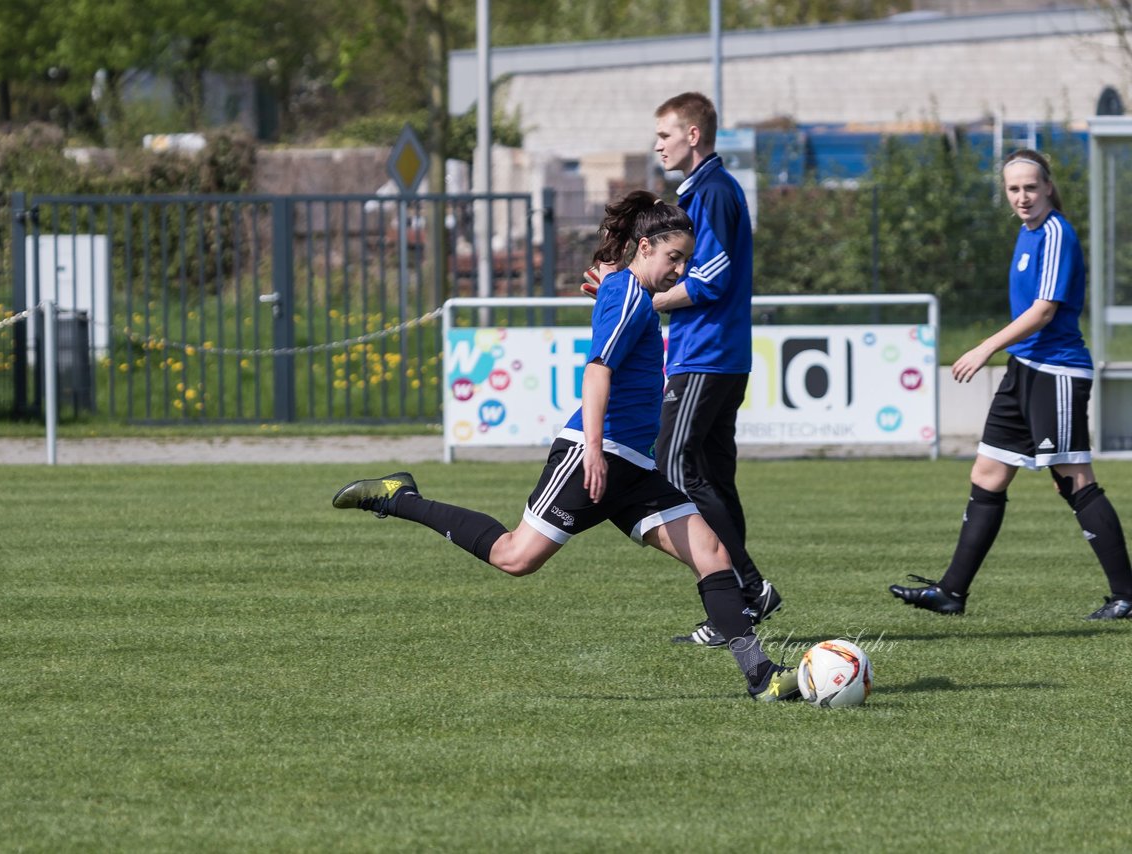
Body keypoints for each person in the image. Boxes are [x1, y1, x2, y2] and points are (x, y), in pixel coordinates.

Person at [334, 191, 800, 700]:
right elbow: (598, 370)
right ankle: (399, 497)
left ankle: (762, 678)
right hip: (593, 455)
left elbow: (618, 305)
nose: (681, 268)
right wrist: (595, 450)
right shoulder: (626, 294)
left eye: (686, 259)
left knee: (712, 553)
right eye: (674, 257)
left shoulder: (628, 293)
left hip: (634, 467)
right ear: (645, 247)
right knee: (515, 557)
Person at [889, 148, 1132, 620]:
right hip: (1023, 369)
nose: (1022, 196)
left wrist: (984, 348)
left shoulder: (1057, 232)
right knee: (987, 475)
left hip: (1056, 371)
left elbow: (1043, 311)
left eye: (1030, 187)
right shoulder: (1026, 234)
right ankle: (951, 592)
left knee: (1074, 480)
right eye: (1013, 189)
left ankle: (1127, 593)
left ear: (1047, 187)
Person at [650, 92, 783, 646]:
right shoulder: (702, 191)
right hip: (714, 355)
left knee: (670, 466)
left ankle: (748, 587)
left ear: (694, 135)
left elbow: (710, 280)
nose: (657, 144)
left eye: (665, 134)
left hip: (706, 355)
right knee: (715, 480)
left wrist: (645, 300)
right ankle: (738, 610)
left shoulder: (711, 192)